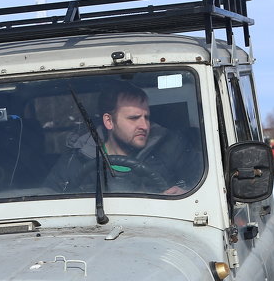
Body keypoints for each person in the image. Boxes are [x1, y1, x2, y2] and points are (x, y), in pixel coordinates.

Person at [47, 80, 193, 195]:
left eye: (146, 117)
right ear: (109, 121)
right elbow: (49, 202)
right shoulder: (76, 160)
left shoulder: (170, 150)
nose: (145, 125)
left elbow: (206, 187)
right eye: (134, 118)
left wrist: (186, 193)